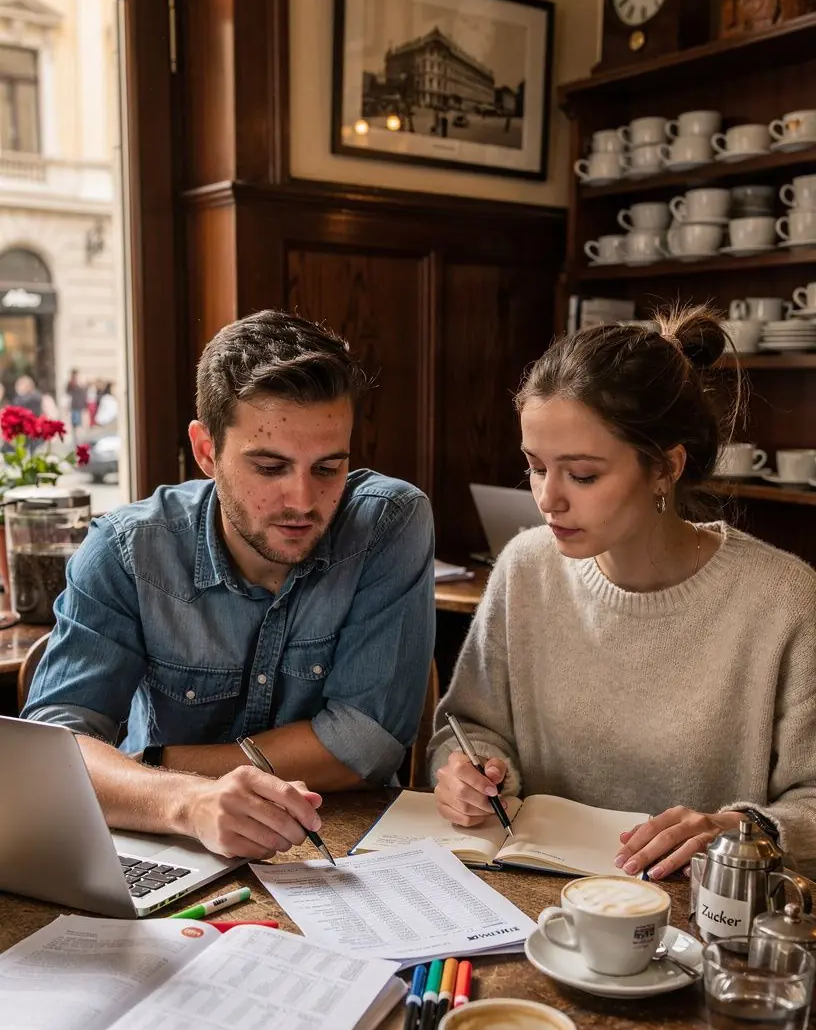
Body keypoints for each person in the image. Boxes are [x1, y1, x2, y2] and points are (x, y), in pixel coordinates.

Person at [24, 310, 435, 861]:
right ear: (206, 450)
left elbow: (364, 747)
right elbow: (51, 754)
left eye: (328, 468)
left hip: (347, 859)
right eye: (270, 467)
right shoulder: (128, 549)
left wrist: (151, 765)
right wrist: (188, 802)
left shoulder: (389, 523)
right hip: (169, 847)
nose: (303, 501)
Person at [429, 306, 816, 881]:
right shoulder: (524, 568)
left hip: (699, 921)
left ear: (665, 467)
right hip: (532, 903)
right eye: (535, 467)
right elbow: (467, 725)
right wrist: (468, 770)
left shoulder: (783, 599)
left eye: (582, 475)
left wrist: (737, 829)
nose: (547, 499)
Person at [65, 368, 87, 438]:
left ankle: (78, 438)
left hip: (79, 406)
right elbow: (68, 393)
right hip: (74, 406)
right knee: (75, 424)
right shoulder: (71, 383)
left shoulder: (79, 383)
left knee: (79, 425)